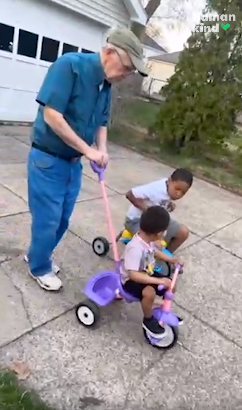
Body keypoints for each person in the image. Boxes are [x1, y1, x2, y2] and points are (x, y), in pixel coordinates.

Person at [24, 27, 148, 291]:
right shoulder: (69, 66)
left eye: (130, 72)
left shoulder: (106, 84)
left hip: (72, 164)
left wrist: (101, 150)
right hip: (48, 159)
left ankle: (37, 255)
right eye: (127, 67)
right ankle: (39, 266)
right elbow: (52, 116)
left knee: (63, 219)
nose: (126, 75)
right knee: (48, 219)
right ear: (110, 51)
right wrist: (87, 149)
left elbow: (102, 122)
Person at [121, 206, 182, 338]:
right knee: (149, 293)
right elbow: (133, 274)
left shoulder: (149, 240)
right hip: (130, 281)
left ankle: (163, 310)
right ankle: (148, 319)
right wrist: (158, 280)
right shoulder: (135, 248)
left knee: (170, 285)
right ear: (158, 233)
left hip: (146, 274)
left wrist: (171, 260)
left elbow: (155, 252)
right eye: (164, 232)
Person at [125, 168, 193, 256]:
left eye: (183, 192)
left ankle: (164, 257)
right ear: (169, 181)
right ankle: (153, 256)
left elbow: (160, 200)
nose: (178, 194)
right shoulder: (156, 189)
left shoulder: (169, 189)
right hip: (137, 221)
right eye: (177, 189)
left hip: (157, 222)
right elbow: (130, 194)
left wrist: (169, 204)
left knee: (183, 233)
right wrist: (149, 211)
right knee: (153, 243)